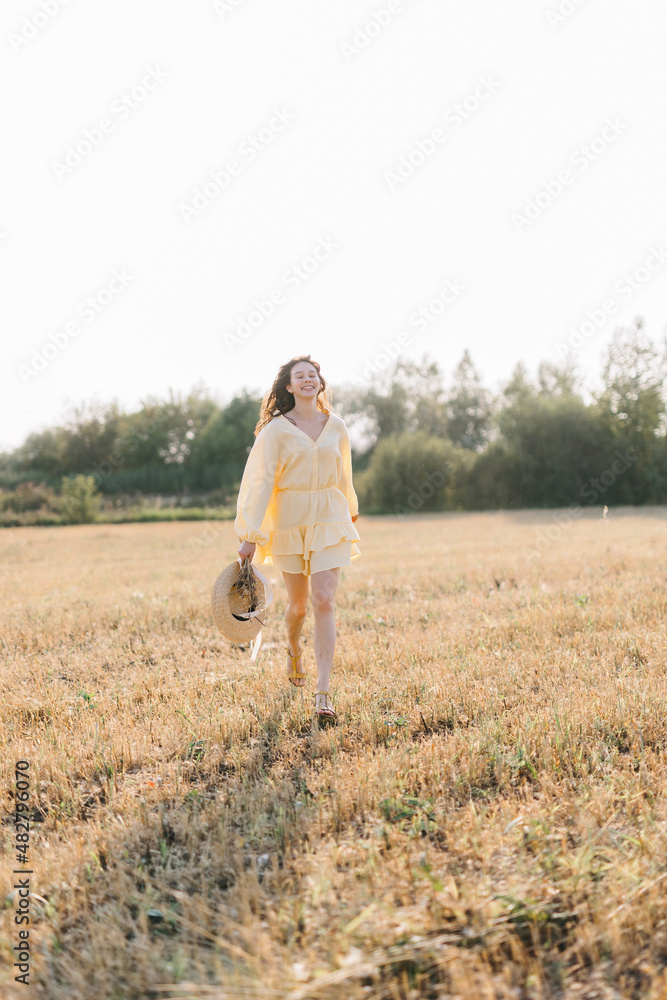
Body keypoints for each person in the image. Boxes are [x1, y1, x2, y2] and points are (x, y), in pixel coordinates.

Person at [235, 355, 360, 723]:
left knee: (324, 600)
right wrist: (250, 535)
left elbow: (345, 471)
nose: (308, 380)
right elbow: (259, 481)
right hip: (290, 517)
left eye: (313, 375)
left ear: (320, 384)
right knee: (300, 606)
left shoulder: (336, 425)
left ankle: (323, 694)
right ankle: (292, 646)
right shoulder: (275, 430)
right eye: (299, 376)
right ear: (288, 386)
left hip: (329, 515)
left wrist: (350, 507)